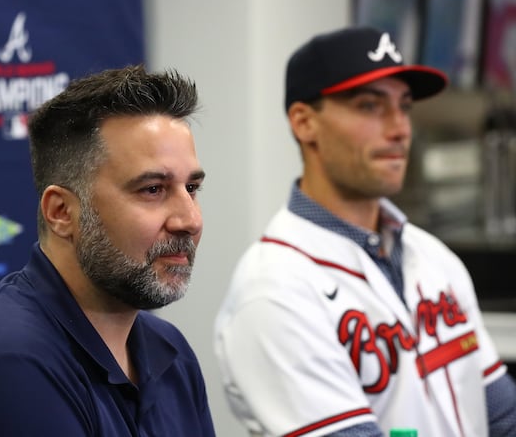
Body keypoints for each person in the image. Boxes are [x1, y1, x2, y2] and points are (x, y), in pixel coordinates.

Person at [214, 26, 516, 436]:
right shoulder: (274, 290)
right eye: (370, 106)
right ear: (304, 123)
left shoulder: (433, 258)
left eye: (404, 106)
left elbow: (502, 415)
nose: (400, 129)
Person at [0, 65, 216, 436]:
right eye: (153, 189)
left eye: (192, 189)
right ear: (61, 212)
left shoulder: (171, 353)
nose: (190, 220)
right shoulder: (7, 365)